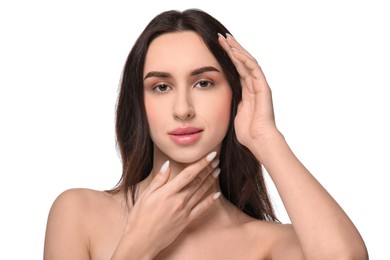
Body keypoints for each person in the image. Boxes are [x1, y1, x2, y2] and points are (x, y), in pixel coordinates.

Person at [43, 8, 368, 259]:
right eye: (161, 87)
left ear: (235, 96)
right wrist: (138, 246)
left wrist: (265, 137)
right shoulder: (78, 213)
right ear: (139, 104)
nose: (183, 108)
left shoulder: (267, 242)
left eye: (203, 83)